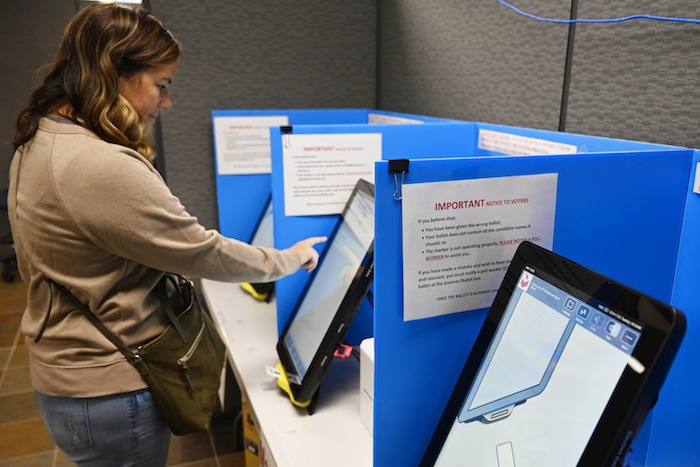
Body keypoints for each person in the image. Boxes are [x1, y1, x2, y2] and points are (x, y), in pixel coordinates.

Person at [7, 4, 325, 466]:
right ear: (114, 74)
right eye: (162, 85)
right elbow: (199, 250)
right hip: (108, 388)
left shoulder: (43, 135)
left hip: (69, 377)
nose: (167, 102)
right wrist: (287, 259)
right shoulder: (99, 164)